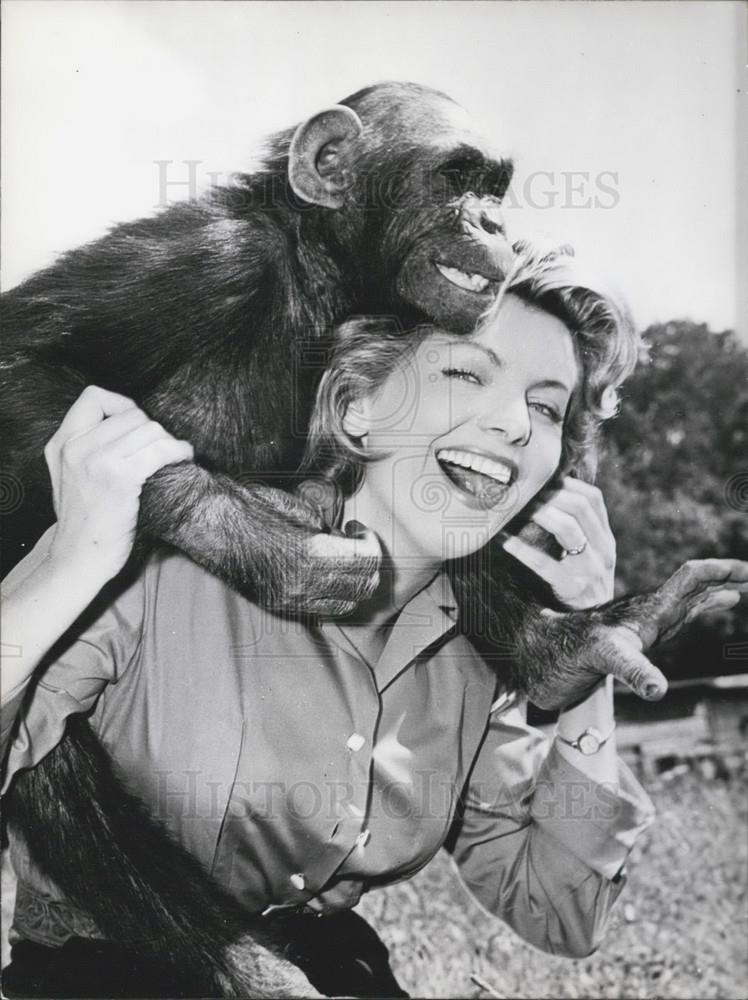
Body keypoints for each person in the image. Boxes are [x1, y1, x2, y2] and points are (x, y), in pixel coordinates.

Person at [1, 244, 738, 998]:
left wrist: (587, 656)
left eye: (547, 406)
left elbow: (559, 911)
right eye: (465, 373)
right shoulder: (172, 564)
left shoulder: (476, 652)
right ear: (357, 405)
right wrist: (73, 560)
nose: (515, 424)